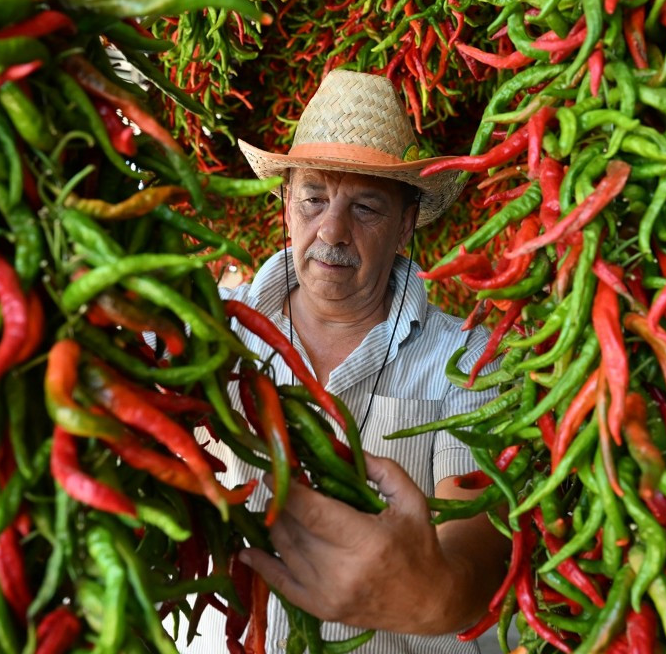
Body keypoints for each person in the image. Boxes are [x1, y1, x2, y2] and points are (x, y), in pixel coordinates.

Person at [180, 70, 510, 653]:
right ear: (285, 205)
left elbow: (478, 541)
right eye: (313, 199)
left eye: (365, 208)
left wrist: (437, 594)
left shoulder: (464, 357)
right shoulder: (207, 328)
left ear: (406, 223)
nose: (331, 230)